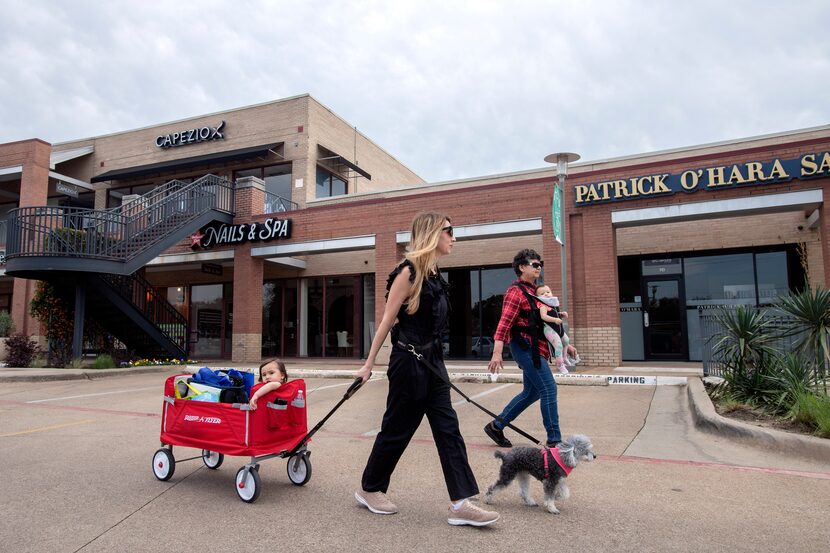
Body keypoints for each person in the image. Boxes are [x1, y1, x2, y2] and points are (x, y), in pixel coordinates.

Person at [354, 211, 499, 527]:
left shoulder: (435, 276)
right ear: (433, 233)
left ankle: (461, 503)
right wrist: (368, 365)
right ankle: (370, 488)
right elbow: (387, 321)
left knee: (449, 429)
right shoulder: (407, 273)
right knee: (397, 430)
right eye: (450, 230)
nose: (454, 237)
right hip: (408, 363)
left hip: (434, 363)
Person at [484, 249, 562, 449]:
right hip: (525, 348)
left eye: (540, 264)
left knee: (532, 392)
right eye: (534, 264)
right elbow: (504, 323)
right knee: (549, 389)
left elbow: (544, 325)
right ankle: (554, 440)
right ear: (522, 267)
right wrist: (497, 352)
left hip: (537, 349)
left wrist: (565, 345)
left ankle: (496, 426)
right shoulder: (515, 292)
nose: (539, 267)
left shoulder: (534, 292)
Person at [535, 284, 578, 374]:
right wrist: (555, 319)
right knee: (558, 346)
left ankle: (565, 357)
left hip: (559, 328)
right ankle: (560, 364)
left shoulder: (553, 303)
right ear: (538, 297)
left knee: (566, 340)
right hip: (549, 329)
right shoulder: (542, 305)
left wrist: (561, 314)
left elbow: (555, 313)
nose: (546, 294)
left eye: (548, 292)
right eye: (542, 293)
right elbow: (543, 316)